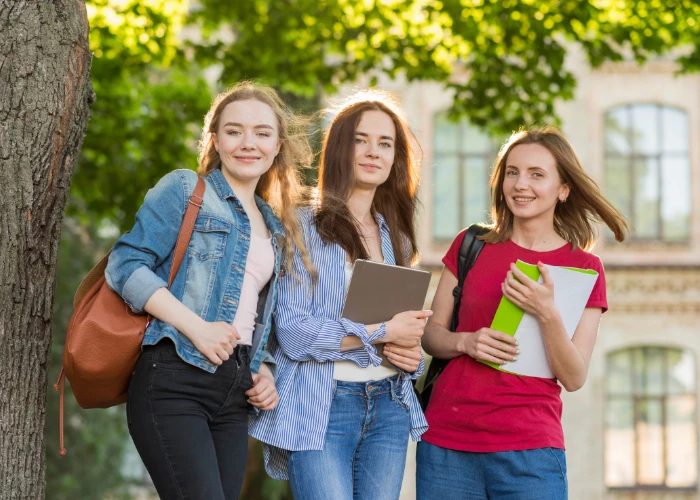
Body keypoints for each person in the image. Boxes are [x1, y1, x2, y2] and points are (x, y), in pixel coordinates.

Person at [104, 82, 313, 499]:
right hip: (174, 378)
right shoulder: (185, 190)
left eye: (262, 133)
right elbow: (125, 265)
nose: (247, 143)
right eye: (234, 131)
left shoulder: (275, 225)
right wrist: (197, 327)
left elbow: (256, 318)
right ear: (215, 140)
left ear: (277, 146)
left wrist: (265, 368)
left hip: (234, 393)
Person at [417, 126, 628, 500]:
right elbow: (432, 335)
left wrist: (546, 313)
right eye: (512, 172)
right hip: (447, 444)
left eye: (537, 174)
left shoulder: (584, 268)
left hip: (531, 452)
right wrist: (467, 341)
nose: (520, 184)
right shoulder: (471, 245)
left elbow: (574, 375)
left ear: (563, 190)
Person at [250, 90, 430, 499]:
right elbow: (294, 335)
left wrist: (410, 355)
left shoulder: (396, 237)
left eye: (386, 144)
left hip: (389, 407)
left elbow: (401, 338)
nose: (374, 152)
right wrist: (382, 330)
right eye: (361, 140)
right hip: (323, 406)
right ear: (339, 148)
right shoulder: (300, 224)